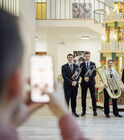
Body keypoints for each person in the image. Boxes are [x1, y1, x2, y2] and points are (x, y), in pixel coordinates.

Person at [0, 9, 87, 140]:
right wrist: (64, 114)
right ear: (16, 82)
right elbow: (64, 76)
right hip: (69, 85)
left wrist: (8, 122)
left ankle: (73, 111)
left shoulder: (76, 66)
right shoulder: (64, 67)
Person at [80, 51, 97, 116]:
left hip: (91, 82)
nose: (87, 57)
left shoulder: (93, 64)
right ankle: (83, 111)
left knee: (93, 97)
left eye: (88, 56)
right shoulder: (82, 64)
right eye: (86, 56)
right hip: (84, 82)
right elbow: (80, 73)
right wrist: (84, 77)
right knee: (83, 97)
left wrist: (88, 77)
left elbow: (94, 73)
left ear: (90, 56)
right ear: (84, 57)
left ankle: (94, 111)